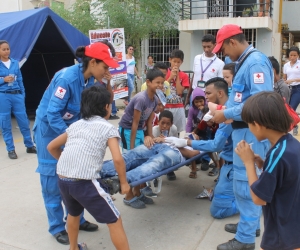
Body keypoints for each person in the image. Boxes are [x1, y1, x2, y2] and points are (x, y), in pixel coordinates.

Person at [33, 42, 119, 245]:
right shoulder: (67, 78)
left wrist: (107, 82)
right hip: (49, 130)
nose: (107, 71)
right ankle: (56, 227)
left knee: (77, 175)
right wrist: (72, 137)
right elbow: (52, 113)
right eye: (105, 67)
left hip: (70, 129)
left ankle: (77, 219)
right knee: (53, 178)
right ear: (93, 62)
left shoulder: (90, 81)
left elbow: (93, 109)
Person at [211, 24, 273, 250]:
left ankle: (245, 239)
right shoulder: (245, 62)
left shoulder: (254, 62)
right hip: (243, 130)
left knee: (247, 183)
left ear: (233, 42)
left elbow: (260, 101)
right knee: (244, 183)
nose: (224, 53)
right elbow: (242, 98)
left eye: (224, 48)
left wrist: (225, 113)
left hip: (251, 133)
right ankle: (251, 225)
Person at [47, 86, 130, 250]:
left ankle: (73, 248)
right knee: (114, 220)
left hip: (63, 179)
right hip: (84, 182)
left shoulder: (76, 125)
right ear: (107, 107)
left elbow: (51, 147)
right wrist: (124, 183)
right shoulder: (108, 128)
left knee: (73, 214)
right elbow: (118, 159)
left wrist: (68, 165)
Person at [166, 77, 239, 219]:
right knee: (217, 193)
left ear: (220, 93)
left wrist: (186, 143)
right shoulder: (227, 108)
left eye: (208, 93)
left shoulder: (226, 114)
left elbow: (215, 145)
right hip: (230, 164)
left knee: (217, 211)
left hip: (236, 167)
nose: (206, 97)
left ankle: (250, 203)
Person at [235, 91, 300, 250]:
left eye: (249, 124)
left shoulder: (277, 155)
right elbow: (285, 177)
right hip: (293, 230)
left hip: (281, 237)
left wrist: (248, 162)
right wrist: (261, 163)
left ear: (257, 124)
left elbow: (259, 198)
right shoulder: (291, 145)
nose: (249, 129)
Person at [101, 110, 201, 208]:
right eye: (190, 135)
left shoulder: (194, 146)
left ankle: (117, 181)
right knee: (132, 155)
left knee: (153, 164)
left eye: (194, 137)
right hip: (158, 144)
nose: (191, 136)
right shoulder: (178, 138)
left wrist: (185, 143)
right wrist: (162, 140)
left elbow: (191, 154)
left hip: (175, 151)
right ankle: (99, 170)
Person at [118, 68, 163, 207]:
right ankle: (128, 196)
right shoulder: (141, 99)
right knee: (131, 162)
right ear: (148, 82)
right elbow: (134, 123)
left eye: (162, 83)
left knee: (141, 162)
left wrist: (150, 137)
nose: (160, 86)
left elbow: (149, 121)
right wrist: (132, 149)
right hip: (128, 130)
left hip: (139, 130)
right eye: (157, 83)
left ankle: (137, 192)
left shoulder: (154, 99)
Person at [0, 40, 36, 159]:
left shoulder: (15, 62)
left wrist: (22, 94)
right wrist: (3, 80)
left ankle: (29, 145)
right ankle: (11, 149)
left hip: (17, 95)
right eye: (3, 49)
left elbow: (20, 79)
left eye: (8, 49)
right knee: (5, 123)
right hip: (3, 95)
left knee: (23, 121)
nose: (6, 51)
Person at [164, 49, 189, 180]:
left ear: (181, 62)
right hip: (166, 107)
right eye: (174, 61)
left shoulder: (184, 75)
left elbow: (179, 91)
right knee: (164, 133)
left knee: (176, 134)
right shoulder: (164, 72)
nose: (176, 64)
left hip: (178, 107)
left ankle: (173, 165)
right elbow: (163, 89)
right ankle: (165, 164)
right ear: (170, 60)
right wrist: (170, 77)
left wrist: (178, 76)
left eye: (178, 62)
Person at [185, 34, 224, 106]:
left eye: (209, 47)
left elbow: (220, 85)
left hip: (209, 98)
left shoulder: (220, 63)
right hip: (194, 96)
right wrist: (188, 96)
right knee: (192, 116)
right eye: (204, 47)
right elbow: (194, 76)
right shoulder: (197, 58)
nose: (206, 49)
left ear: (215, 45)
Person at [185, 87, 212, 173]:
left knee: (206, 142)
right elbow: (189, 122)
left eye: (201, 101)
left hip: (206, 128)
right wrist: (188, 133)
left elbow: (207, 120)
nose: (199, 103)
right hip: (196, 129)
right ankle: (197, 157)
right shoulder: (192, 109)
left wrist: (203, 110)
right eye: (196, 102)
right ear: (193, 102)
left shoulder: (208, 107)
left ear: (204, 100)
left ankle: (206, 160)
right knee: (194, 142)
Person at [283, 46, 300, 136]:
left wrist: (293, 80)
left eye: (295, 55)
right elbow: (285, 77)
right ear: (288, 56)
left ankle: (293, 125)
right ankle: (294, 124)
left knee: (292, 107)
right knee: (287, 108)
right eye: (291, 55)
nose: (293, 57)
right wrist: (285, 82)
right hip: (288, 89)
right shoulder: (286, 65)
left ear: (298, 55)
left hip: (298, 89)